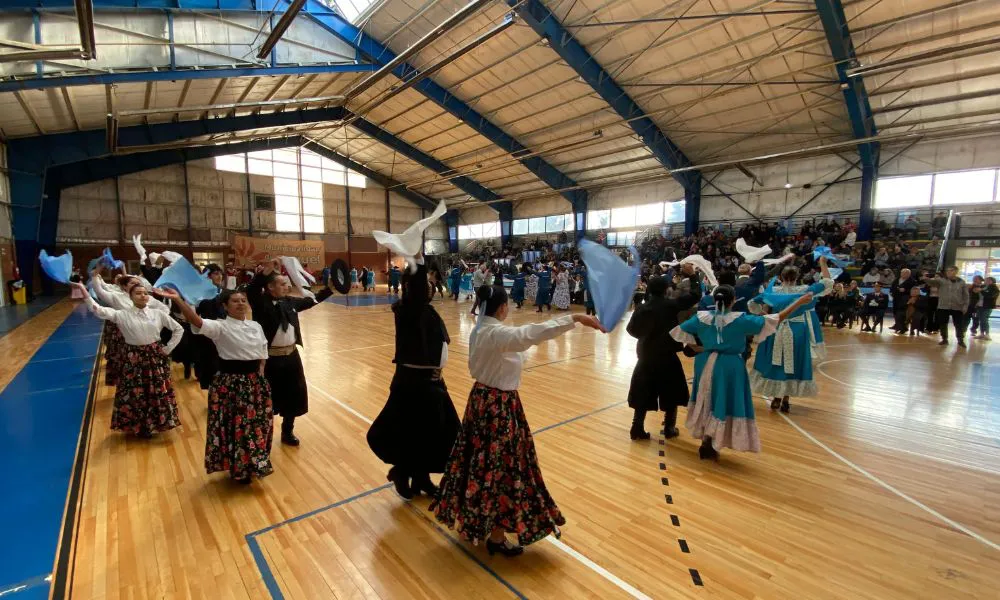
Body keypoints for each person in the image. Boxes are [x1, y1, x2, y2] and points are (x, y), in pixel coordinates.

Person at [432, 285, 605, 557]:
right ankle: (496, 537)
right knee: (503, 468)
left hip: (483, 401)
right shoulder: (495, 333)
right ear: (501, 307)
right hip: (498, 407)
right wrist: (574, 318)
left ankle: (477, 523)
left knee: (479, 464)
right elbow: (530, 334)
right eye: (508, 305)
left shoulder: (481, 329)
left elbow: (523, 336)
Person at [671, 286, 814, 459]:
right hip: (730, 365)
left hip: (705, 362)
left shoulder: (701, 318)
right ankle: (714, 443)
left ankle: (706, 442)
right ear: (732, 301)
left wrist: (700, 347)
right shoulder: (740, 319)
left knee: (707, 398)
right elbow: (775, 319)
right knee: (723, 401)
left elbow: (679, 332)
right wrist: (798, 302)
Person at [367, 255, 460, 499]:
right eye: (426, 283)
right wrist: (417, 263)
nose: (430, 287)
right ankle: (402, 471)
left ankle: (421, 478)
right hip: (414, 385)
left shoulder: (424, 312)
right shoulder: (409, 310)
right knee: (419, 433)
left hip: (431, 382)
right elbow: (417, 288)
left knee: (434, 433)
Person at [163, 288, 273, 484]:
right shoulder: (220, 326)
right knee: (237, 427)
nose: (241, 304)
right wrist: (178, 300)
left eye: (243, 300)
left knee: (257, 425)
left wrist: (261, 377)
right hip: (231, 384)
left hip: (255, 382)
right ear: (225, 306)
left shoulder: (256, 326)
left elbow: (262, 352)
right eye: (235, 301)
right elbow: (197, 321)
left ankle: (255, 462)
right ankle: (239, 467)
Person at [74, 281, 183, 437]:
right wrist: (85, 293)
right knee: (135, 392)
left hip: (154, 357)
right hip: (133, 359)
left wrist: (167, 349)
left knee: (156, 389)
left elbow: (178, 329)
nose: (143, 296)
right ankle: (137, 426)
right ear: (130, 297)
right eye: (138, 293)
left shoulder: (157, 314)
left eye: (145, 293)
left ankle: (157, 423)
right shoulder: (122, 315)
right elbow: (98, 310)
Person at [246, 259, 333, 445]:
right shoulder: (261, 303)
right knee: (266, 398)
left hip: (292, 357)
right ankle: (262, 434)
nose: (287, 287)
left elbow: (311, 301)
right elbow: (252, 291)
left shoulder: (289, 302)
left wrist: (331, 289)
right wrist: (262, 274)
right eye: (283, 284)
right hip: (269, 360)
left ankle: (287, 432)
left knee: (294, 394)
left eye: (287, 283)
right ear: (270, 287)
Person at [749, 257, 833, 413]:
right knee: (793, 362)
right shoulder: (805, 291)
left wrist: (763, 314)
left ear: (781, 278)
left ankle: (777, 397)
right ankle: (786, 398)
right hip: (798, 330)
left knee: (776, 362)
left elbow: (752, 304)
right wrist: (823, 263)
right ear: (797, 278)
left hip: (776, 327)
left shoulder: (773, 291)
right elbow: (828, 283)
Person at [626, 269, 701, 441]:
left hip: (646, 355)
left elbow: (631, 330)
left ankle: (637, 428)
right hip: (667, 355)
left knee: (642, 392)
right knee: (672, 392)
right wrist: (693, 277)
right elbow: (695, 295)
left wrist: (646, 336)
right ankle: (669, 428)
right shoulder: (671, 305)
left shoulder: (642, 308)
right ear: (666, 289)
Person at [923, 266, 969, 347]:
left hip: (957, 306)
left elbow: (966, 295)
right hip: (943, 306)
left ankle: (960, 340)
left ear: (955, 271)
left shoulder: (961, 282)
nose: (948, 272)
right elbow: (932, 282)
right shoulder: (942, 280)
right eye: (947, 271)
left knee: (958, 324)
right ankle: (944, 339)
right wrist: (926, 278)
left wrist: (965, 306)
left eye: (950, 270)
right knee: (943, 323)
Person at [890, 268, 918, 334]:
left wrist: (905, 290)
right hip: (896, 298)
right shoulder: (897, 279)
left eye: (905, 273)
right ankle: (897, 325)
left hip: (906, 300)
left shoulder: (913, 281)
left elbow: (915, 291)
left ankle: (903, 327)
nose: (902, 274)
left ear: (909, 274)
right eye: (902, 273)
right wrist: (891, 292)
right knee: (895, 312)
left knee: (903, 314)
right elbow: (892, 287)